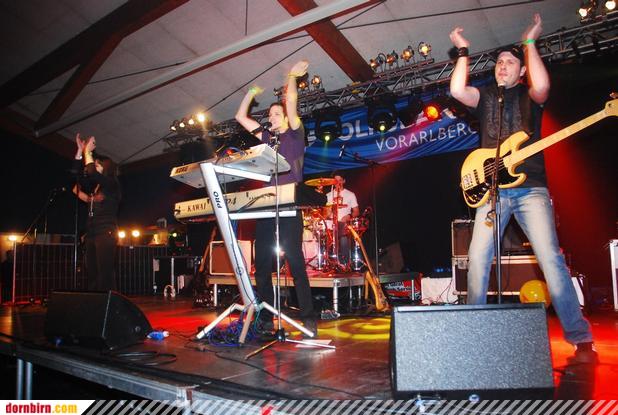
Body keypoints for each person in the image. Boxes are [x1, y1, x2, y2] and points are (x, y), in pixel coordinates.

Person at [449, 14, 597, 363]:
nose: (502, 66)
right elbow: (456, 90)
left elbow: (542, 86)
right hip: (492, 192)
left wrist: (529, 42)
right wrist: (463, 51)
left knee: (550, 259)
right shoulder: (487, 97)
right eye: (499, 62)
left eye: (509, 62)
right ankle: (474, 332)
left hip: (531, 189)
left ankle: (580, 337)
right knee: (478, 258)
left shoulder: (530, 96)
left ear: (522, 70)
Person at [235, 60, 317, 338]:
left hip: (290, 203)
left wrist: (292, 76)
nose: (271, 117)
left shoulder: (294, 133)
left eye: (275, 113)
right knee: (262, 264)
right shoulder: (267, 138)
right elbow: (241, 117)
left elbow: (291, 103)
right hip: (267, 205)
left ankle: (308, 318)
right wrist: (250, 93)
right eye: (269, 114)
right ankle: (267, 318)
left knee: (295, 261)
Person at [72, 134, 121, 292]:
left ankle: (109, 302)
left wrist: (88, 152)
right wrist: (79, 153)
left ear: (106, 168)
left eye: (98, 164)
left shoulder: (111, 185)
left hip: (106, 232)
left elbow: (92, 172)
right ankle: (95, 302)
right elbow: (75, 179)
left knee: (105, 272)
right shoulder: (95, 188)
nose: (93, 165)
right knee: (92, 273)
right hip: (92, 233)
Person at [326, 174, 359, 266]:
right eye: (335, 181)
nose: (337, 183)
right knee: (324, 234)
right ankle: (329, 262)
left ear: (344, 181)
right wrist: (328, 213)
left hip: (344, 224)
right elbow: (326, 214)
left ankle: (345, 264)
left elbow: (356, 211)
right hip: (331, 224)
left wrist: (349, 216)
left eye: (340, 180)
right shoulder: (328, 195)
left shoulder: (350, 194)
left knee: (343, 235)